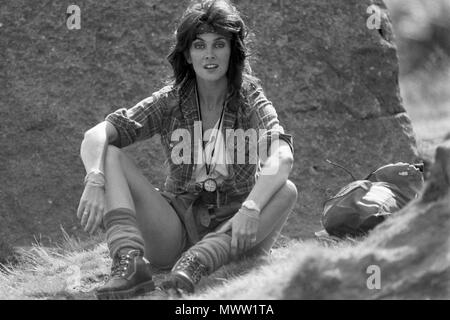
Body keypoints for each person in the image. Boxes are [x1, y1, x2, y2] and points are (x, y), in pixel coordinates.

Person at [77, 0, 297, 299]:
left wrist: (251, 206)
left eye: (219, 44)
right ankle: (129, 264)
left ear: (233, 51)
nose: (209, 55)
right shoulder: (171, 100)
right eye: (199, 45)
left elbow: (281, 155)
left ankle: (199, 261)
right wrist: (94, 177)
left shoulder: (250, 100)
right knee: (110, 153)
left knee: (286, 190)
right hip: (176, 226)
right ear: (187, 54)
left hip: (237, 228)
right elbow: (98, 133)